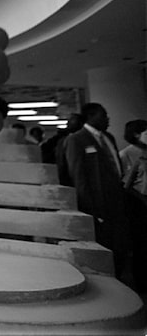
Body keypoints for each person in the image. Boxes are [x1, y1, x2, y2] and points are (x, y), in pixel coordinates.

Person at [65, 103, 129, 279]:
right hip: (97, 204)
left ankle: (120, 277)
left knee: (120, 245)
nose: (107, 119)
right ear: (91, 116)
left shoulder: (108, 137)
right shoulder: (76, 140)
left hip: (116, 201)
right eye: (103, 115)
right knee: (103, 247)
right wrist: (90, 208)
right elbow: (78, 176)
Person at [120, 118, 147, 292]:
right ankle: (142, 283)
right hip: (140, 204)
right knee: (142, 245)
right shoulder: (129, 154)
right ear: (137, 134)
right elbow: (125, 185)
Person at [53, 113, 85, 186]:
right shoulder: (61, 141)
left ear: (81, 123)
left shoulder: (84, 140)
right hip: (65, 180)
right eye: (68, 120)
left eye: (72, 120)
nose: (68, 123)